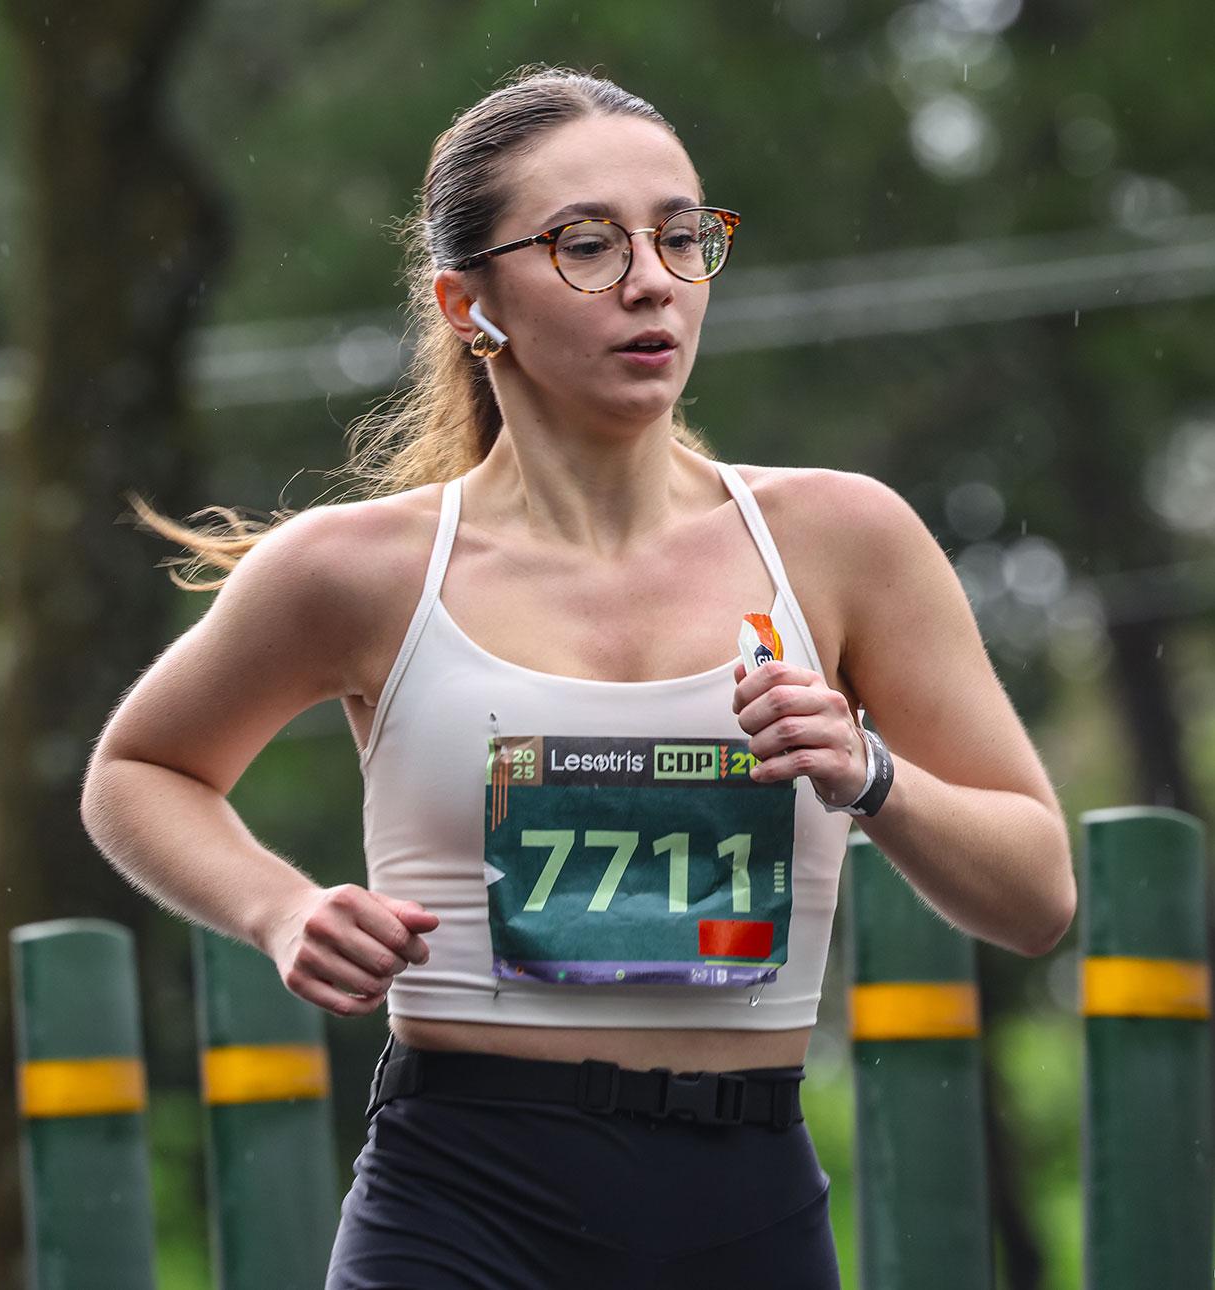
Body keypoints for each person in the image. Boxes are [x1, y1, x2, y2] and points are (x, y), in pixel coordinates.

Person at [80, 66, 1077, 1289]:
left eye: (680, 236)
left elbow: (1036, 897)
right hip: (458, 1200)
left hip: (745, 1201)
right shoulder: (358, 570)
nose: (652, 278)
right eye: (589, 245)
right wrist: (278, 909)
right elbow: (139, 770)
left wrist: (873, 775)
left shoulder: (842, 540)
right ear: (467, 303)